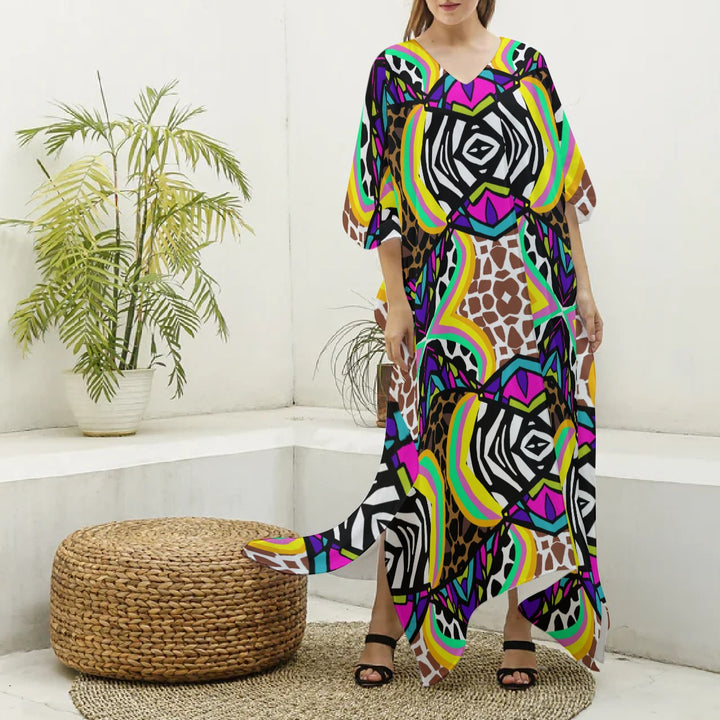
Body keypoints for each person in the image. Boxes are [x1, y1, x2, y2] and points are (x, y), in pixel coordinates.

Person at [243, 0, 610, 691]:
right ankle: (385, 620)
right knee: (420, 460)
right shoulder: (395, 71)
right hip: (442, 303)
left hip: (537, 300)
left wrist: (583, 290)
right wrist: (397, 302)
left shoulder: (527, 66)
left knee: (533, 456)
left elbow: (560, 191)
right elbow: (383, 200)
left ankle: (520, 627)